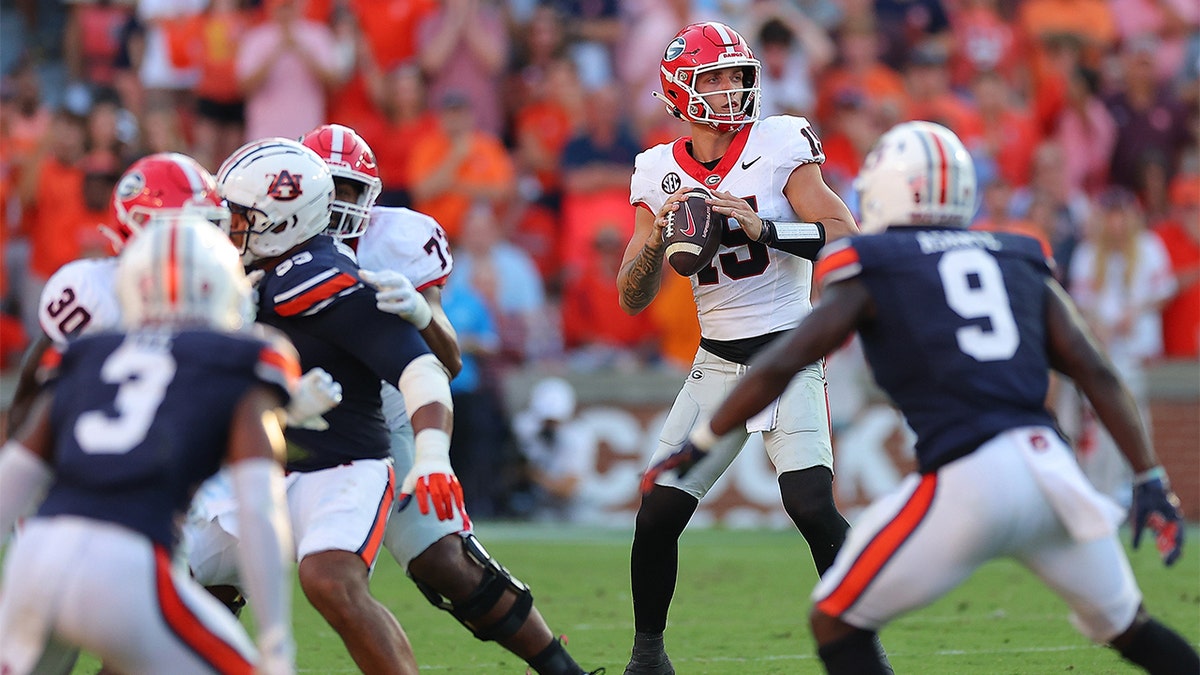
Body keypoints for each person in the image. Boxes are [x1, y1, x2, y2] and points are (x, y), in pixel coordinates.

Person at [650, 120, 1198, 675]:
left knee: (834, 620)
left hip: (969, 479)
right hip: (1050, 472)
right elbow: (1097, 373)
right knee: (1132, 629)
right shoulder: (1017, 255)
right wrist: (1149, 478)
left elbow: (786, 358)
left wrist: (704, 437)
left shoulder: (879, 265)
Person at [298, 123, 597, 674]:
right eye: (329, 188)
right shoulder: (269, 236)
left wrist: (417, 311)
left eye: (350, 190)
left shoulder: (401, 238)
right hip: (289, 413)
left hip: (384, 410)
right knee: (215, 563)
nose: (339, 205)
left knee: (445, 561)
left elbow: (449, 360)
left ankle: (563, 671)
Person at [616, 21, 862, 675]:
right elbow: (631, 295)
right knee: (656, 514)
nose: (731, 89)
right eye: (715, 78)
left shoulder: (781, 140)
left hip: (788, 354)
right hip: (716, 364)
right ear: (680, 90)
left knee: (810, 505)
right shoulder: (658, 170)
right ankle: (647, 656)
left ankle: (860, 648)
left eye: (737, 75)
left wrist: (767, 226)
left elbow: (844, 233)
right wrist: (657, 240)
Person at [210, 136, 463, 674]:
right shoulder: (219, 277)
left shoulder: (330, 282)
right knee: (159, 580)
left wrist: (433, 453)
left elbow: (422, 368)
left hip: (338, 466)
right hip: (252, 466)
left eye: (240, 216)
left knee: (329, 578)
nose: (227, 228)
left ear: (279, 222)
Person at [0, 215, 296, 675]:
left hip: (36, 550)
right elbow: (258, 508)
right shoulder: (243, 357)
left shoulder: (84, 352)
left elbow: (14, 475)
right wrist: (277, 641)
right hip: (127, 561)